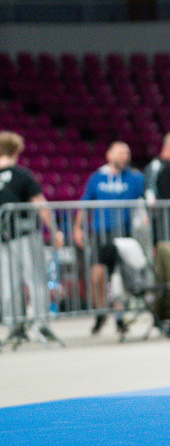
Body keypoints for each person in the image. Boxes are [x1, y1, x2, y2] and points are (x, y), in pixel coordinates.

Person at [74, 141, 146, 336]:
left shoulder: (136, 178)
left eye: (127, 153)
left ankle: (120, 317)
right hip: (100, 233)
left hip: (123, 233)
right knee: (98, 274)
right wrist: (78, 227)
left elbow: (143, 202)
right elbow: (85, 203)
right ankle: (101, 312)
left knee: (119, 276)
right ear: (109, 155)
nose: (125, 156)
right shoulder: (97, 178)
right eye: (121, 152)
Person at [0, 131, 59, 344]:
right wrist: (54, 230)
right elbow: (40, 204)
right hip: (25, 235)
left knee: (9, 282)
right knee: (36, 279)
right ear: (16, 151)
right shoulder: (22, 174)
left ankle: (13, 324)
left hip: (3, 239)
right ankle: (40, 324)